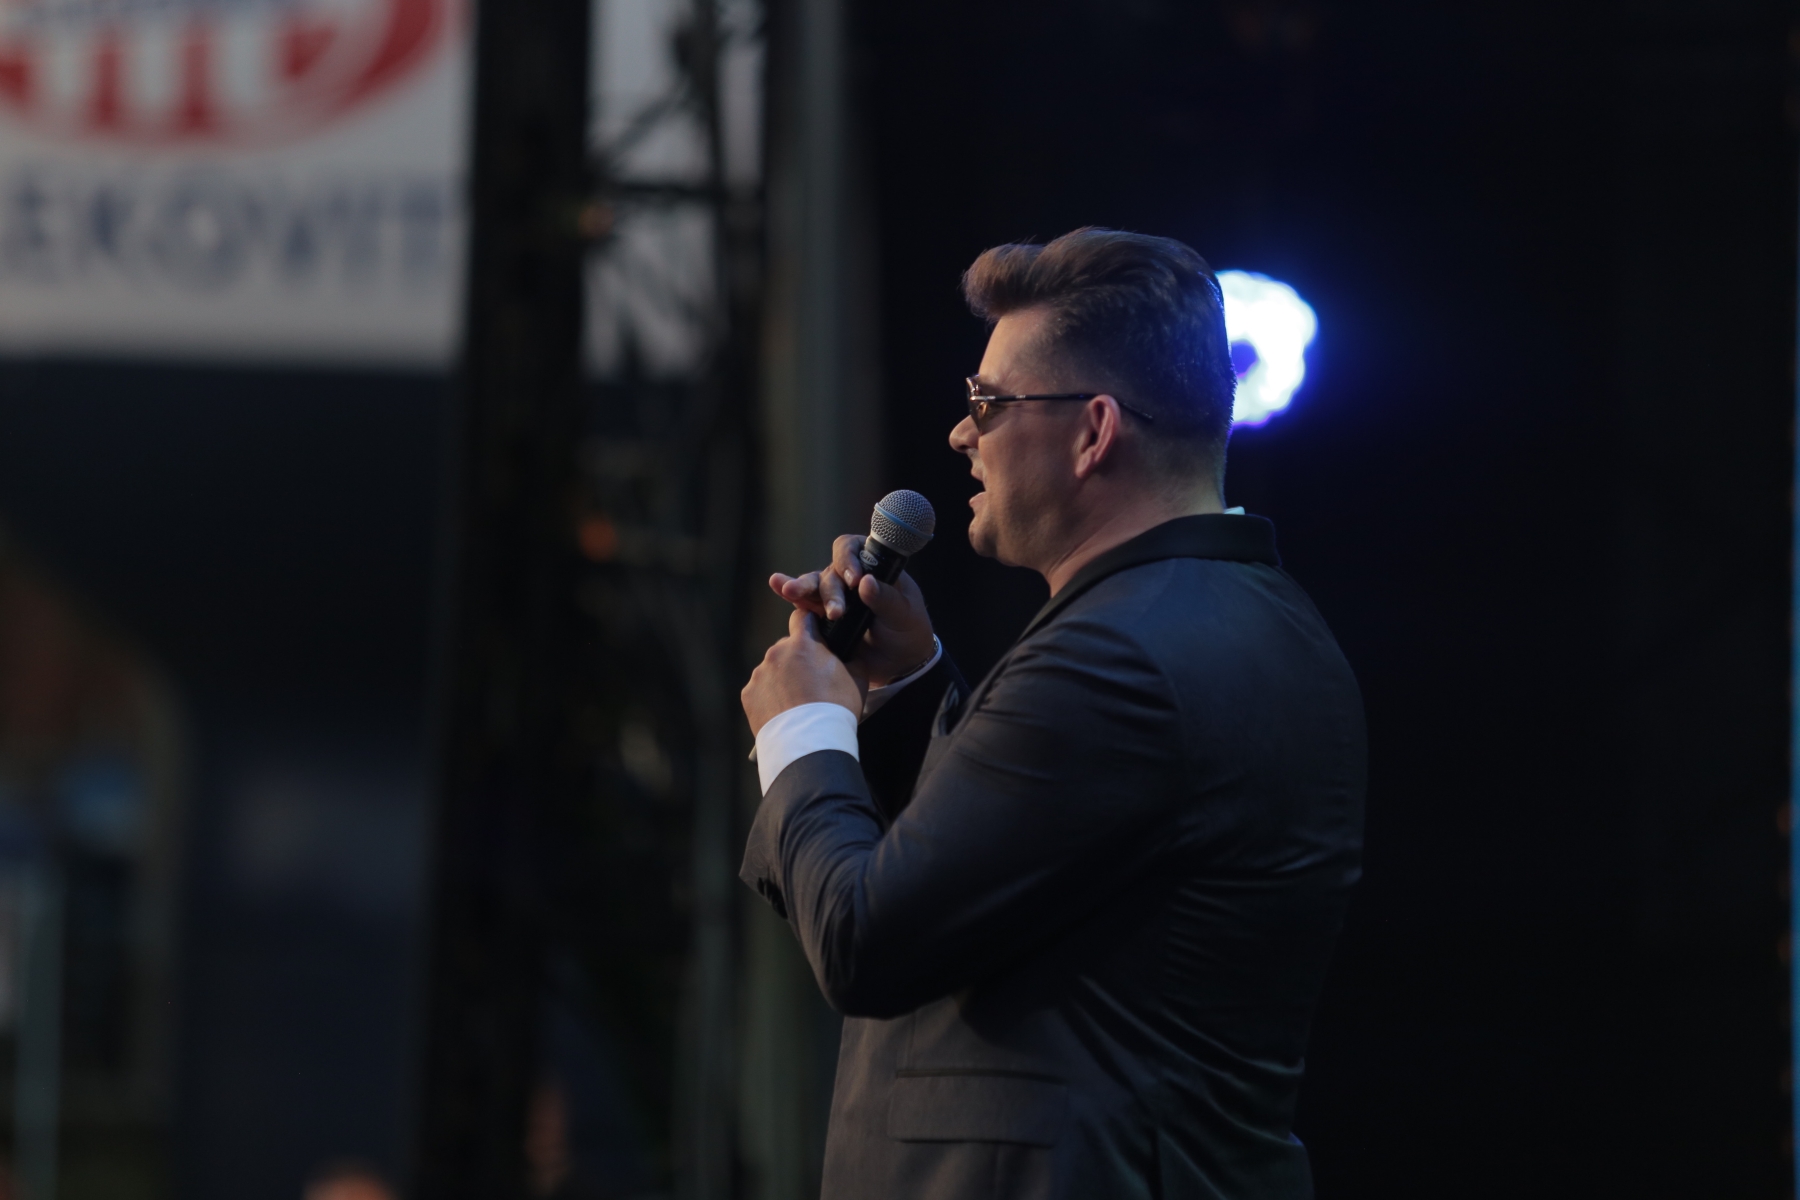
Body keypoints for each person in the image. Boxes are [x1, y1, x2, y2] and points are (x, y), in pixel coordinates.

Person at [739, 227, 1365, 1199]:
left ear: (1094, 431)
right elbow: (1024, 863)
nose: (963, 435)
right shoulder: (1241, 620)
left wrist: (802, 728)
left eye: (988, 404)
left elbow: (868, 941)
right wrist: (908, 685)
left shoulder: (1117, 656)